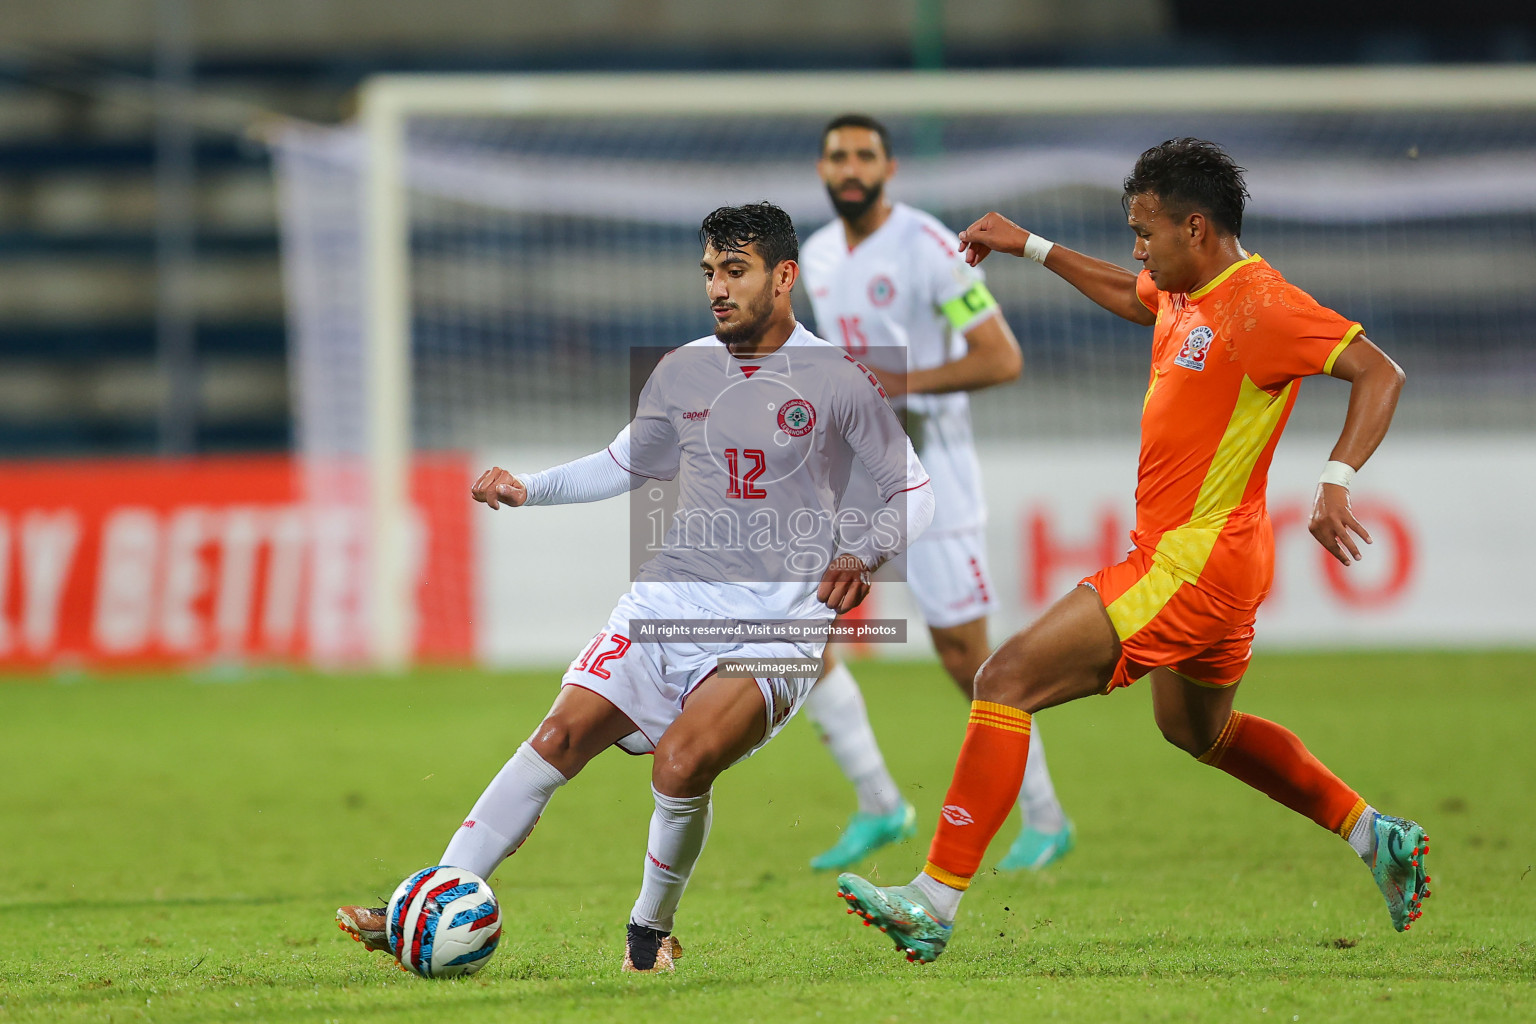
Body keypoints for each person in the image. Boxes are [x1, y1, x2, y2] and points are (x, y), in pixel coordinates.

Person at [836, 138, 1428, 964]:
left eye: (1147, 232)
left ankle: (933, 900)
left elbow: (1380, 372)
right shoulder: (1187, 289)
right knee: (1198, 731)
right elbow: (1132, 293)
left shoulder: (1262, 307)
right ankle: (1376, 836)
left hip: (1188, 563)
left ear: (1197, 227)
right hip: (1224, 564)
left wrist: (1334, 478)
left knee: (1003, 681)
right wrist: (1032, 246)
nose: (1138, 248)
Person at [336, 203, 934, 973]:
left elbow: (916, 493)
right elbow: (624, 463)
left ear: (784, 278)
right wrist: (530, 488)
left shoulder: (840, 379)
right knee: (555, 739)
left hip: (777, 632)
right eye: (710, 272)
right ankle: (432, 900)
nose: (718, 288)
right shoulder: (685, 368)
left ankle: (650, 933)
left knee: (681, 763)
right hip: (667, 607)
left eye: (736, 271)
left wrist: (867, 546)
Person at [795, 113, 1074, 873]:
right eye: (837, 156)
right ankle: (880, 804)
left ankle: (1046, 818)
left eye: (864, 155)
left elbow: (1001, 358)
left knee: (969, 661)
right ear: (821, 170)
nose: (850, 167)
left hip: (935, 479)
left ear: (889, 168)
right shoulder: (816, 256)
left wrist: (899, 382)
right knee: (796, 632)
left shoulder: (932, 252)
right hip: (849, 479)